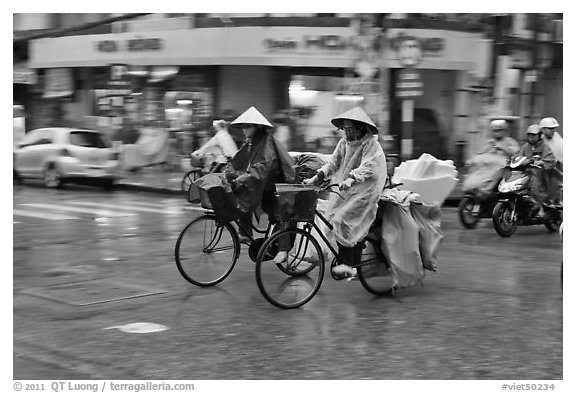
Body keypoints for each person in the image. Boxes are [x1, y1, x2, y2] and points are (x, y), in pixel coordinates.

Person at [303, 106, 387, 276]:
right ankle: (342, 252)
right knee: (331, 216)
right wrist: (315, 179)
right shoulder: (344, 143)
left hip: (367, 189)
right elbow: (333, 163)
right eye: (344, 128)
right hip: (348, 187)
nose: (346, 132)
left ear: (360, 127)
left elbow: (369, 166)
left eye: (349, 128)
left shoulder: (370, 144)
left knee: (342, 220)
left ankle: (348, 264)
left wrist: (352, 178)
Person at [223, 107, 296, 253]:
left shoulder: (266, 142)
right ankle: (245, 233)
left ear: (257, 127)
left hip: (279, 184)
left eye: (247, 126)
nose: (244, 130)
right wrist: (227, 173)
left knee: (279, 216)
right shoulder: (250, 142)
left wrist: (243, 178)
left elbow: (262, 167)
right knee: (242, 197)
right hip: (265, 183)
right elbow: (238, 160)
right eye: (243, 126)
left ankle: (284, 251)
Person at [517, 125, 556, 218]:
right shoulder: (525, 146)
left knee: (535, 182)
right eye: (529, 135)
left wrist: (541, 162)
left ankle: (539, 207)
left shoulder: (544, 146)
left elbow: (550, 159)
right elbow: (518, 156)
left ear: (539, 135)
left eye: (533, 135)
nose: (531, 138)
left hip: (539, 173)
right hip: (525, 172)